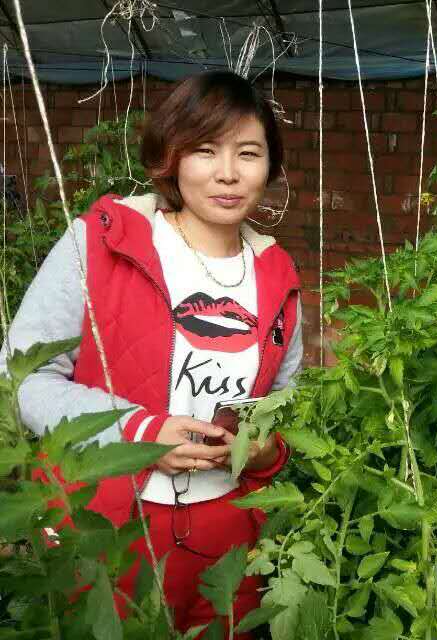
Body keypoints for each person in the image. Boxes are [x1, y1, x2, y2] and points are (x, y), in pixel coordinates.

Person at [2, 71, 302, 636]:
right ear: (171, 156)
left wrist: (264, 451)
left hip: (228, 532)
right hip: (106, 524)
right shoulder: (102, 243)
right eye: (205, 150)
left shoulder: (276, 273)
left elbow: (286, 402)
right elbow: (23, 378)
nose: (228, 173)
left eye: (248, 153)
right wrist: (140, 432)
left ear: (270, 165)